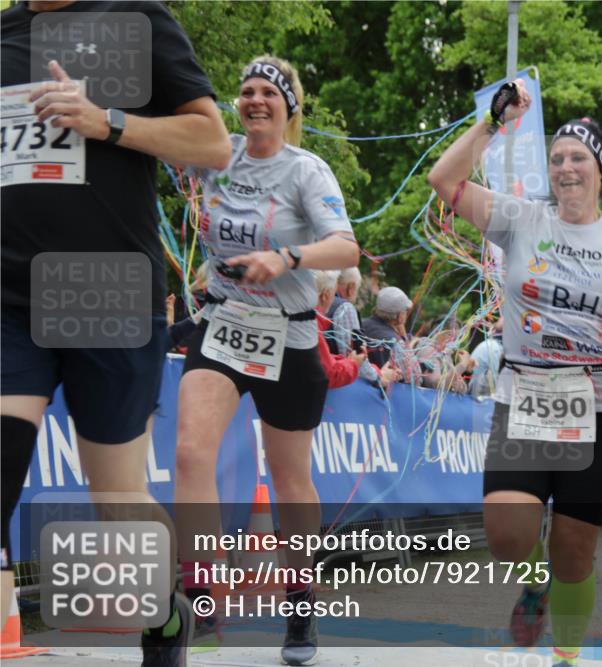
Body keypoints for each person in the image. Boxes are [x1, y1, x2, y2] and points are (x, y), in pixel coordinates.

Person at [427, 80, 602, 667]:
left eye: (578, 157)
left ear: (600, 169)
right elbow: (445, 183)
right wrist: (492, 125)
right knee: (507, 536)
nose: (564, 166)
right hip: (526, 396)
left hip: (598, 406)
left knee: (575, 553)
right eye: (556, 158)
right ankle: (535, 584)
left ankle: (566, 657)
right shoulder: (520, 218)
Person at [1, 2, 230, 665]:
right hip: (9, 294)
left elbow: (212, 142)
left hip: (104, 286)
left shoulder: (134, 20)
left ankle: (163, 617)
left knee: (120, 502)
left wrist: (108, 121)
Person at [171, 55, 359, 666]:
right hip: (225, 322)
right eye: (245, 91)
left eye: (267, 94)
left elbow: (346, 244)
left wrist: (287, 259)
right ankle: (201, 591)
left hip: (292, 335)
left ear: (289, 108)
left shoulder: (306, 169)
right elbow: (156, 131)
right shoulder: (216, 154)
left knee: (289, 482)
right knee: (190, 452)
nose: (254, 101)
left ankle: (300, 607)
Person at [361, 286, 412, 372]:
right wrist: (404, 336)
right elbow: (415, 377)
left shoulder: (360, 324)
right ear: (400, 316)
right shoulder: (396, 342)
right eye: (406, 310)